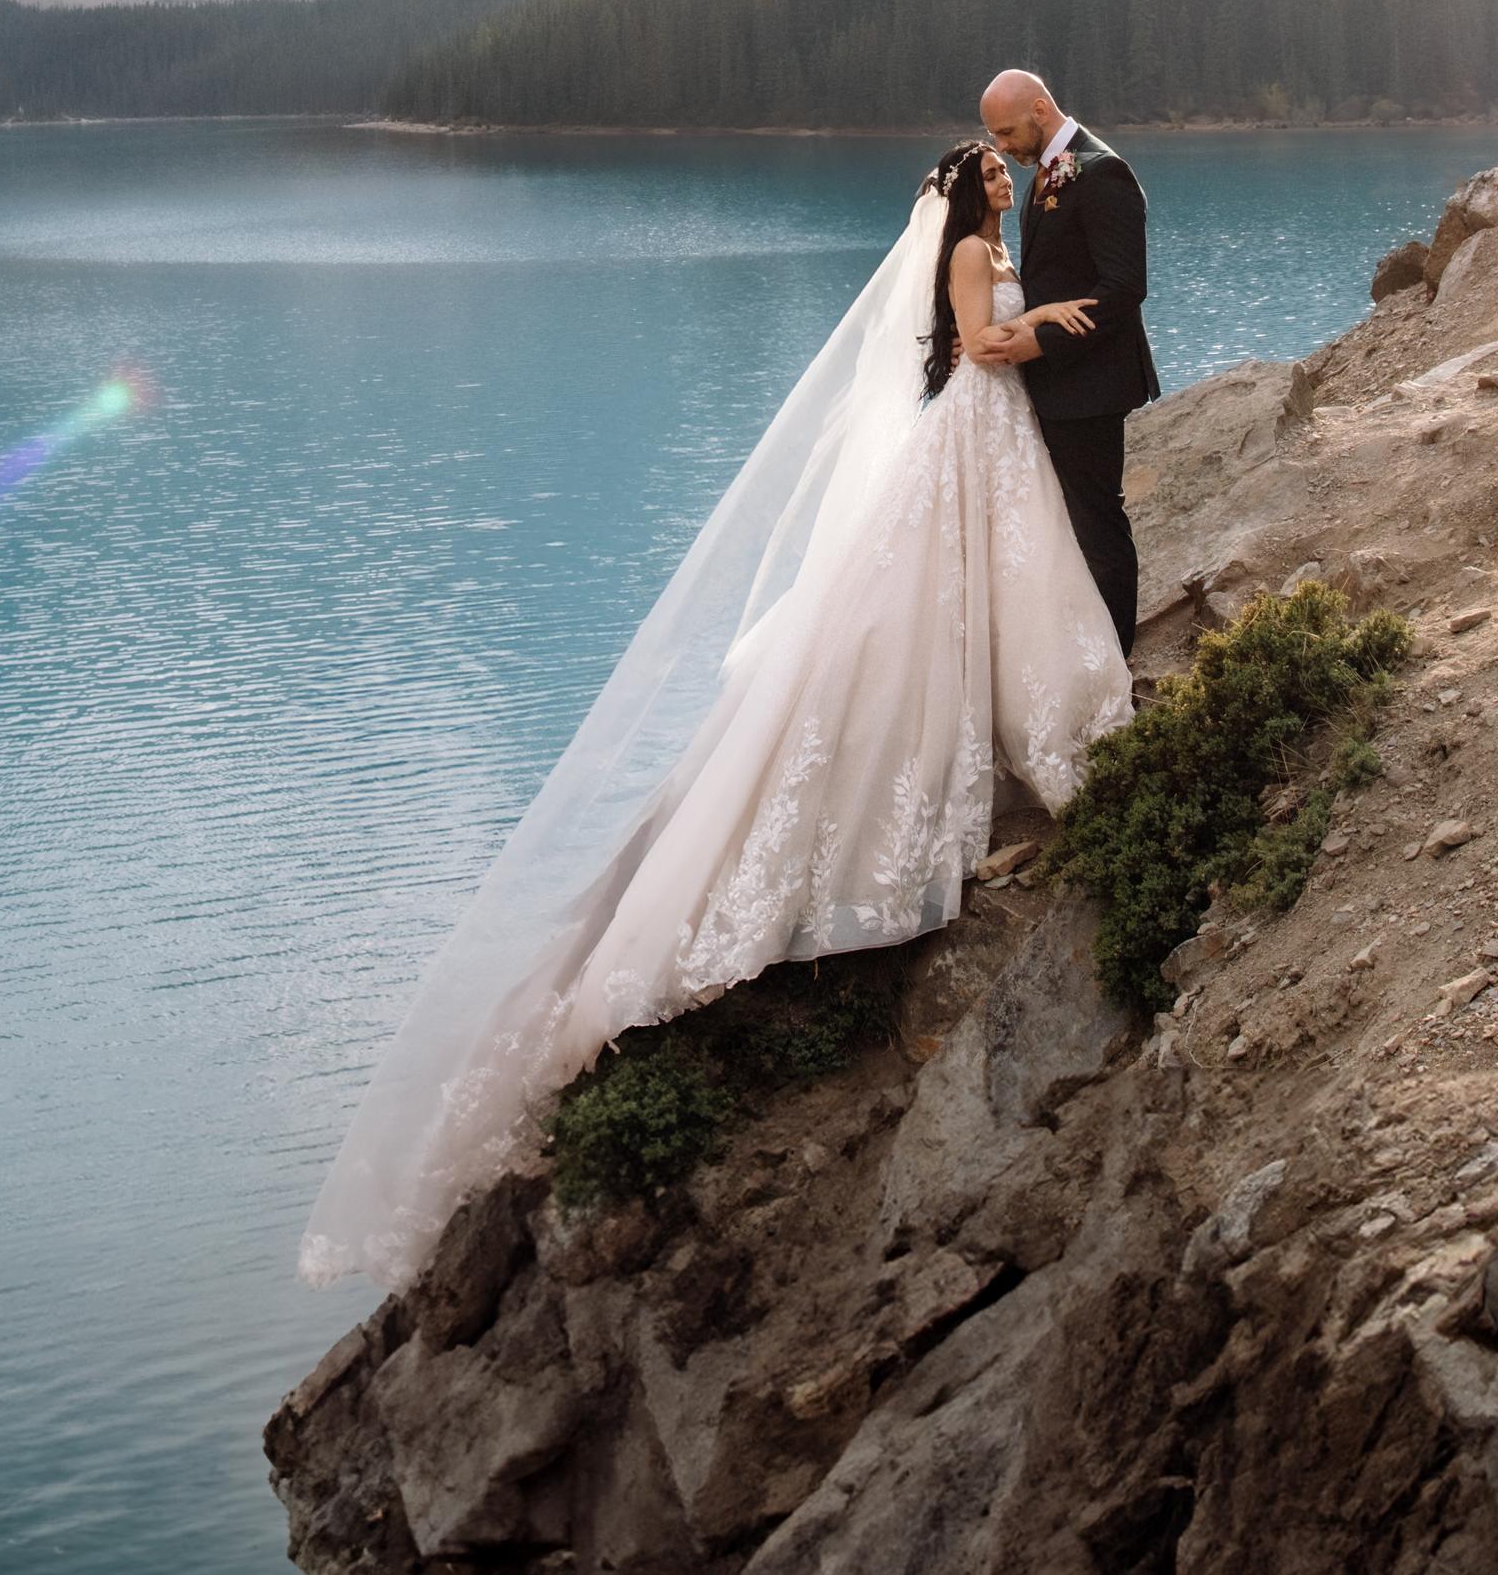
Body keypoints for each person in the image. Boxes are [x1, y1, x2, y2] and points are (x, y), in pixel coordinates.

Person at [300, 141, 1133, 1289]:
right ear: (966, 194)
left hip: (985, 434)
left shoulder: (983, 241)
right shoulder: (979, 253)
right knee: (952, 596)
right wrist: (1053, 324)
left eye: (1003, 167)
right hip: (978, 426)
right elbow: (984, 344)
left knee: (983, 585)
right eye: (990, 169)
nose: (1003, 178)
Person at [978, 68, 1160, 647]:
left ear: (1039, 110)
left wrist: (1041, 343)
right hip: (1054, 384)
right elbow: (1048, 282)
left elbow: (1125, 287)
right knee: (1067, 527)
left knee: (1098, 528)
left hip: (1091, 386)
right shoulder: (1046, 175)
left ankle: (1115, 669)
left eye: (1006, 133)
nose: (1002, 148)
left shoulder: (1103, 172)